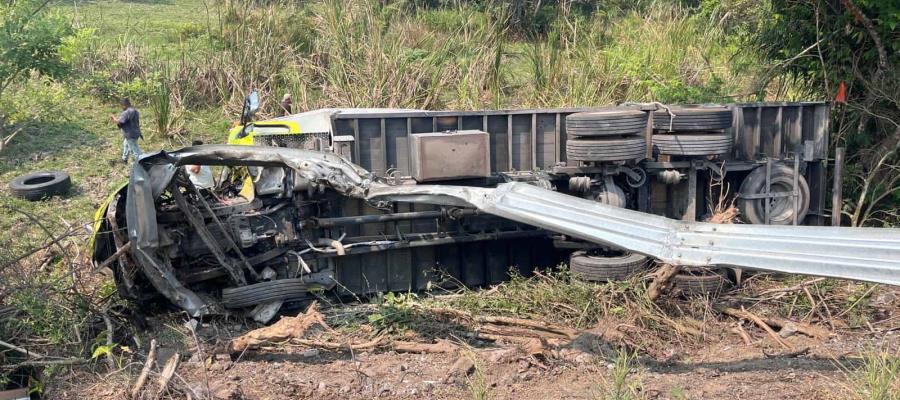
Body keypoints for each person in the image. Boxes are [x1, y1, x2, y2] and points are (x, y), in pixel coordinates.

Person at [111, 98, 142, 163]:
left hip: (130, 134)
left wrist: (114, 118)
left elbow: (120, 122)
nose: (122, 107)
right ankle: (124, 159)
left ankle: (142, 163)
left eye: (121, 106)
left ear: (124, 105)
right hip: (136, 132)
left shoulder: (126, 112)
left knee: (135, 150)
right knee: (126, 144)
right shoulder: (135, 111)